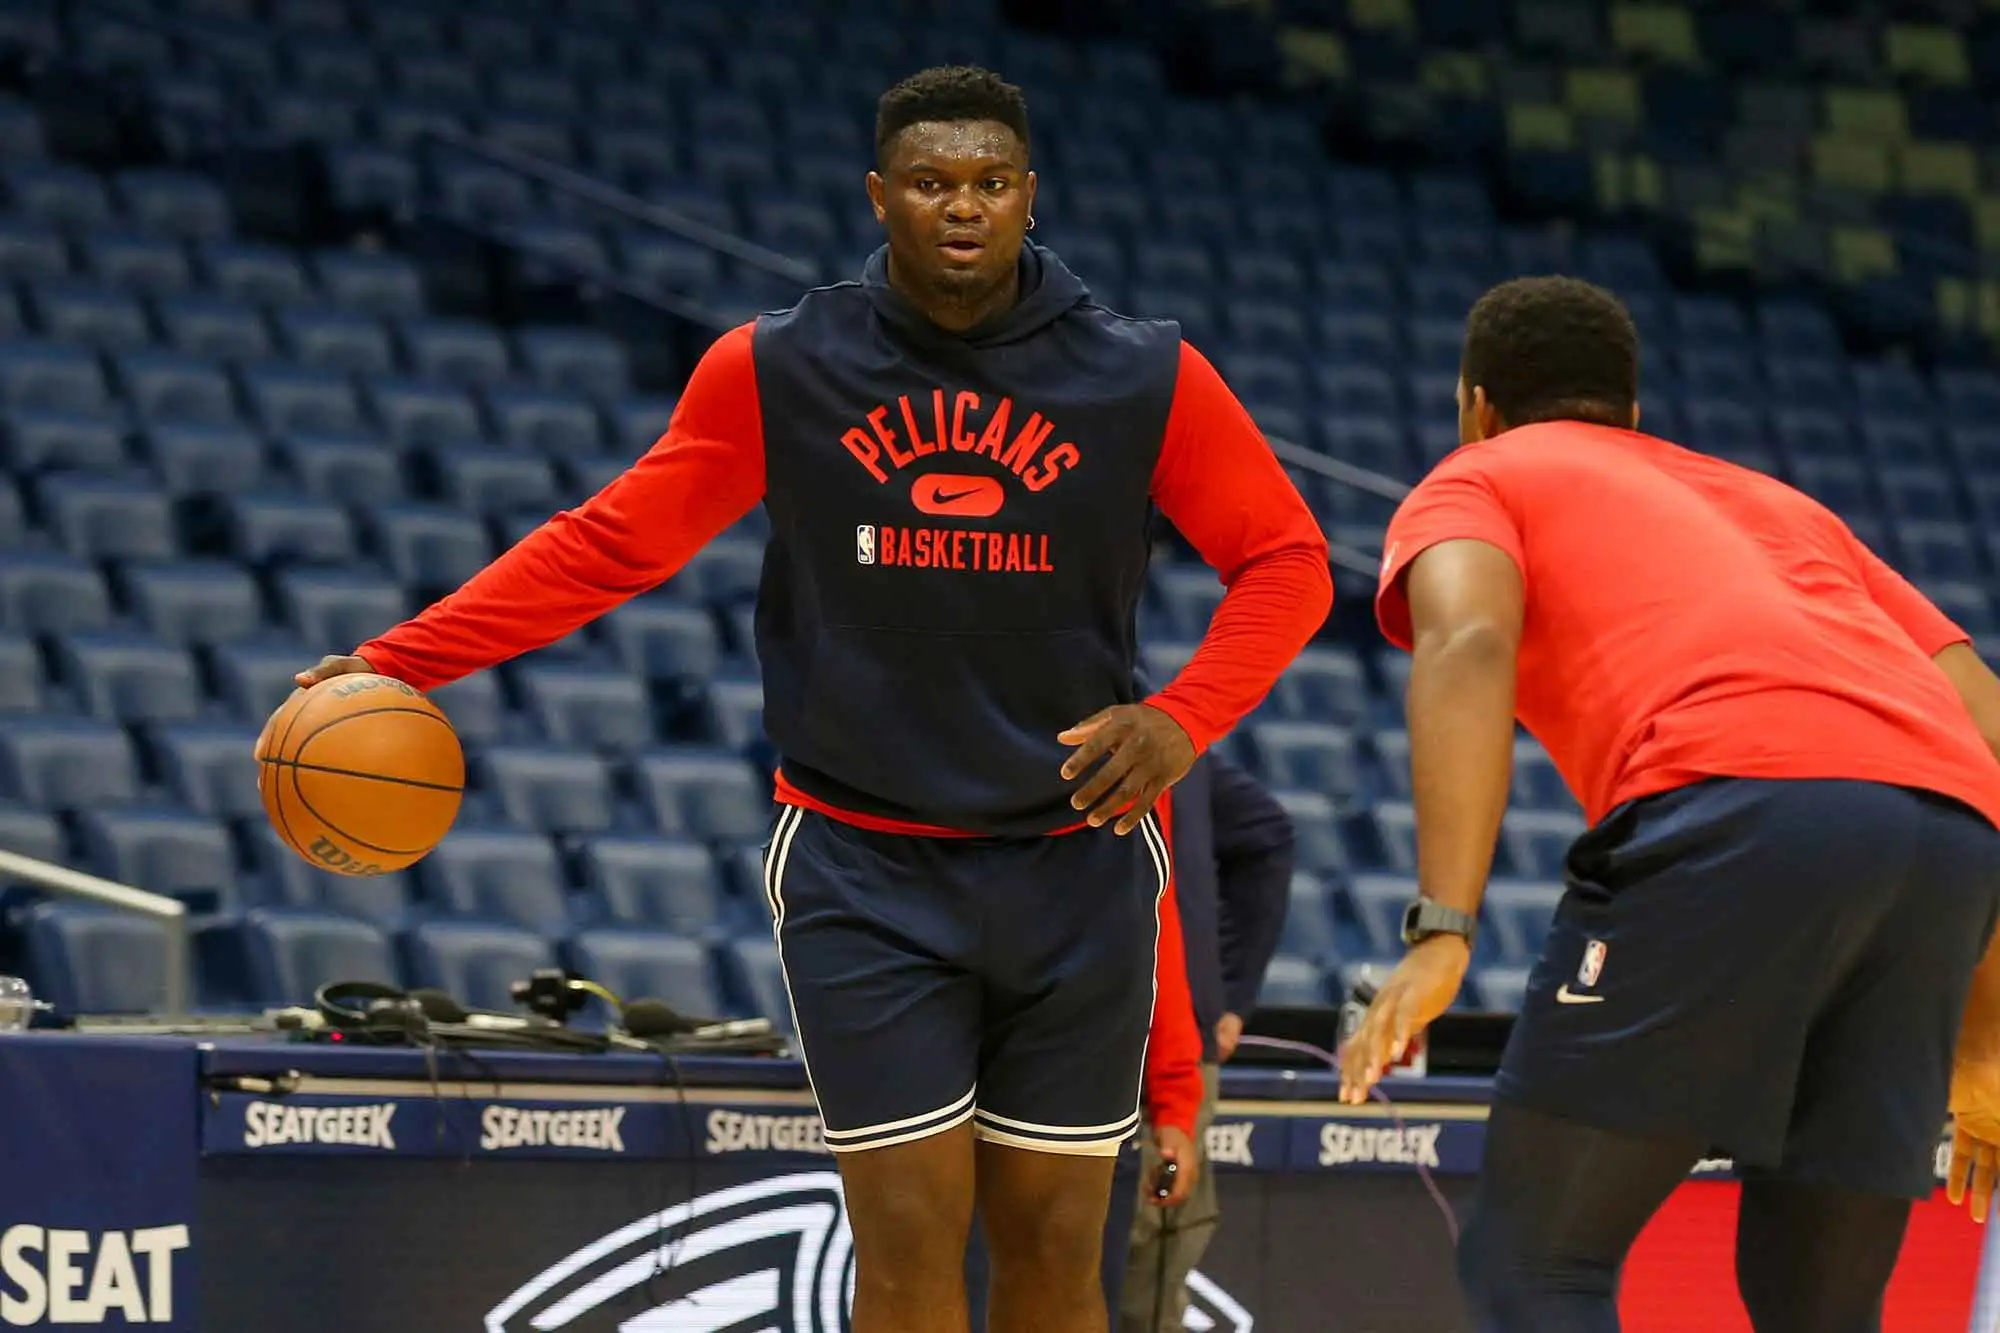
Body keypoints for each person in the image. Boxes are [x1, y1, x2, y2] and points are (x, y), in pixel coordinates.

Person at [295, 66, 1332, 1333]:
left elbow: (1284, 558)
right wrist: (399, 658)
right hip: (863, 865)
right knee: (901, 1248)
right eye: (933, 184)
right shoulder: (780, 366)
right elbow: (608, 543)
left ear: (1029, 198)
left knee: (1060, 1255)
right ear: (879, 197)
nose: (964, 208)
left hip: (1075, 866)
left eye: (990, 184)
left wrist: (1184, 716)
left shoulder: (1142, 375)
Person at [1335, 274, 2000, 1333]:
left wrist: (1441, 929)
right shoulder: (1783, 506)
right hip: (1943, 848)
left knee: (1535, 1262)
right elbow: (1985, 732)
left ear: (1475, 405)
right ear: (1633, 414)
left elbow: (1467, 641)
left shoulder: (1479, 476)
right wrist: (1984, 1037)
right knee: (1817, 1304)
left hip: (1741, 807)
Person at [1119, 751, 1293, 1333]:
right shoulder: (1165, 731)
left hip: (1120, 1045)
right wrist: (1225, 996)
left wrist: (1226, 995)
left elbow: (1268, 834)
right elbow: (1269, 832)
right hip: (1160, 1043)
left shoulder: (1132, 730)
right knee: (1148, 1271)